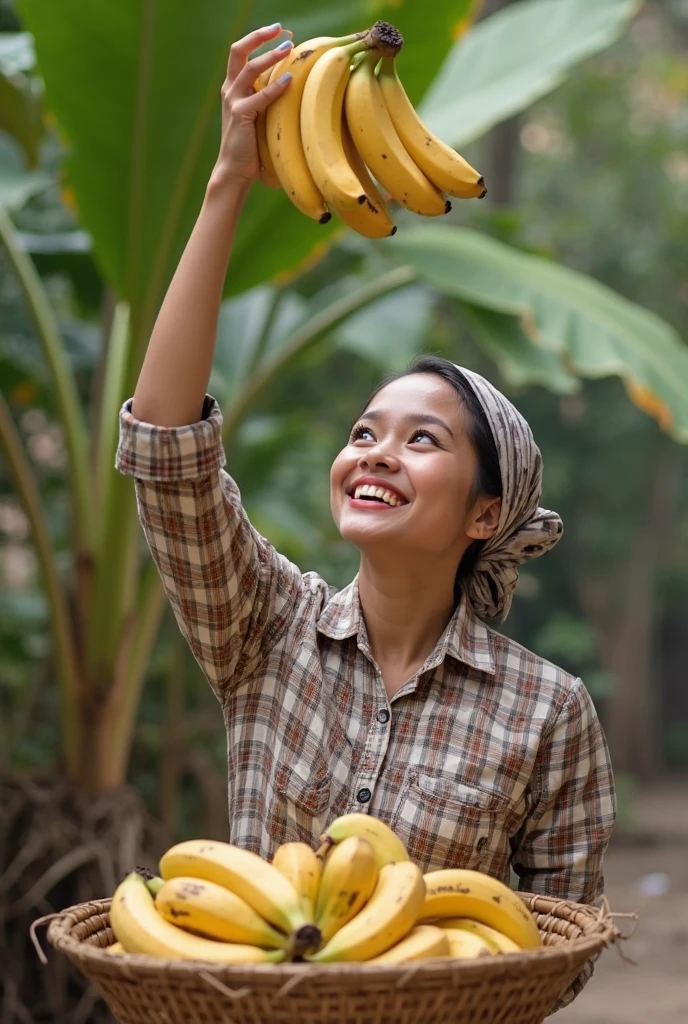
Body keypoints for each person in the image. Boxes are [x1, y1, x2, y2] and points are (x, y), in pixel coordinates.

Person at [116, 23, 616, 1008]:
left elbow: (557, 945)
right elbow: (168, 456)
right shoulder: (264, 629)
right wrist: (226, 185)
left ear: (484, 512)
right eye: (364, 430)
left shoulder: (547, 711)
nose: (375, 451)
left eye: (422, 440)